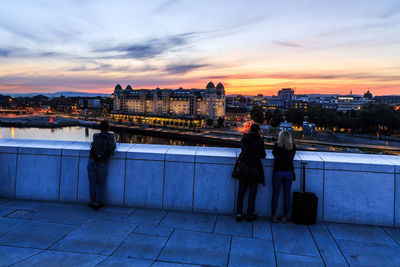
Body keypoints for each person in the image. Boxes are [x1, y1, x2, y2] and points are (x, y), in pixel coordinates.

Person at [235, 123, 266, 222]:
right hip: (254, 169)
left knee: (241, 192)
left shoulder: (245, 138)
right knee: (252, 194)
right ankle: (250, 214)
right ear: (258, 131)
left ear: (250, 129)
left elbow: (242, 150)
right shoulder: (260, 140)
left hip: (243, 168)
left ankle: (239, 214)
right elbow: (263, 155)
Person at [87, 120, 116, 210]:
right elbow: (113, 147)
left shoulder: (95, 136)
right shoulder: (111, 136)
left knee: (92, 183)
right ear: (108, 128)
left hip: (92, 162)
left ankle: (92, 201)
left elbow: (93, 148)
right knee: (100, 184)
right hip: (102, 162)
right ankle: (97, 203)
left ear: (100, 128)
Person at [271, 130, 296, 223]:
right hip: (288, 172)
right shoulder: (292, 146)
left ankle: (273, 216)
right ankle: (284, 217)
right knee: (287, 196)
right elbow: (291, 158)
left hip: (278, 171)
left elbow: (274, 155)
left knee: (275, 195)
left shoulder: (276, 146)